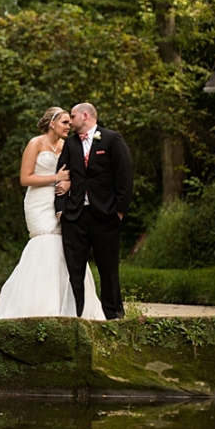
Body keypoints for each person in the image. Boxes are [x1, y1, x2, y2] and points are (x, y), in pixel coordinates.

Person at [0, 107, 105, 320]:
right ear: (52, 123)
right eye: (64, 123)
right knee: (45, 243)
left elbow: (78, 173)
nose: (68, 126)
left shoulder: (68, 146)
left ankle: (73, 306)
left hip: (61, 201)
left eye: (70, 123)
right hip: (38, 202)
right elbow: (25, 178)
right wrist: (55, 178)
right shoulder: (35, 143)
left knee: (66, 244)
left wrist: (68, 183)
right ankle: (39, 306)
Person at [55, 103, 133, 320]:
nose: (70, 121)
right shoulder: (70, 144)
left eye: (73, 116)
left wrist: (119, 211)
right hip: (75, 215)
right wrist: (61, 210)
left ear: (85, 116)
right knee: (75, 268)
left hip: (106, 215)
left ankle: (113, 315)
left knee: (108, 267)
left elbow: (125, 176)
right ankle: (77, 314)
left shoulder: (111, 139)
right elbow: (61, 174)